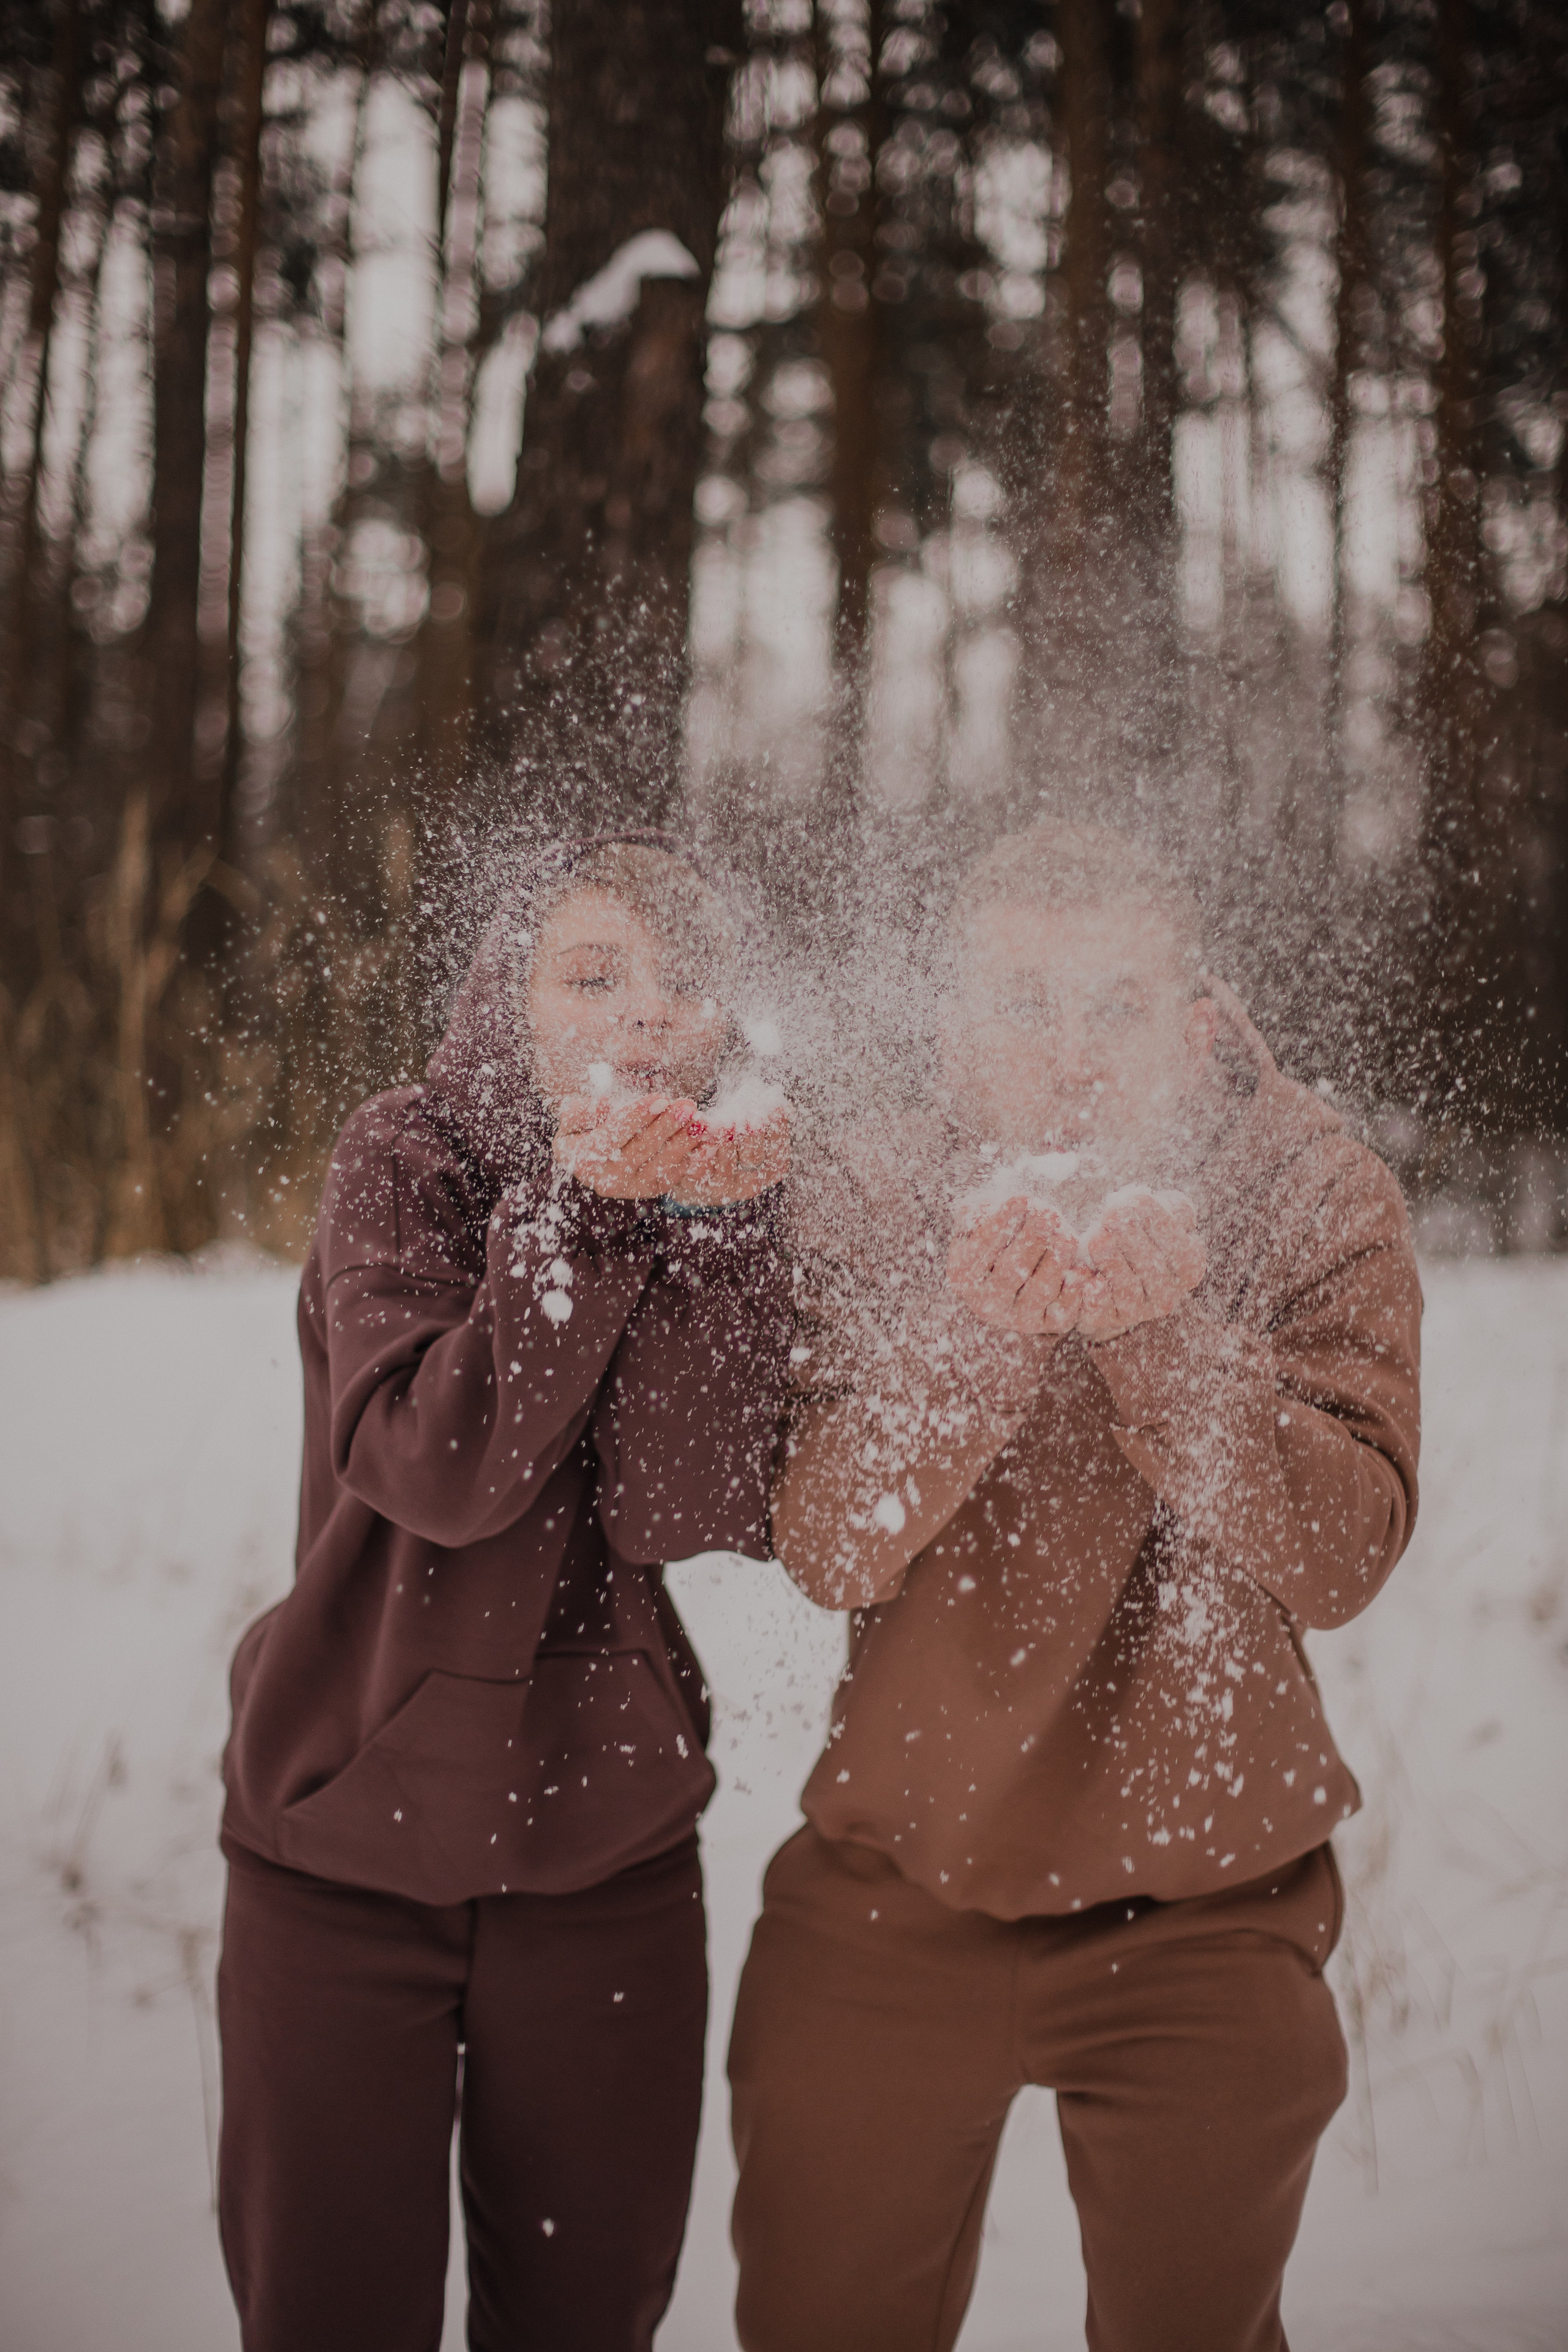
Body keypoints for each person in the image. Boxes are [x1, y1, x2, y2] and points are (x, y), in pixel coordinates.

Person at [729, 820, 1422, 2352]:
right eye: (1021, 1009)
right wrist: (976, 1344)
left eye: (1112, 1008)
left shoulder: (1311, 1189)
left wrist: (1164, 1352)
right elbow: (826, 1539)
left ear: (1192, 1021)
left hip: (1209, 1908)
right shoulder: (873, 1183)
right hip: (891, 1890)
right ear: (952, 1029)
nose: (1068, 1058)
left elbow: (1346, 1551)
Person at [217, 832, 792, 2352]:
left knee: (583, 2322)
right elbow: (430, 1463)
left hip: (601, 1862)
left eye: (679, 985)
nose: (637, 1015)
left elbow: (685, 1500)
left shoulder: (716, 1188)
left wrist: (704, 1235)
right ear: (504, 997)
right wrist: (581, 1211)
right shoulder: (402, 1158)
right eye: (589, 974)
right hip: (338, 1846)